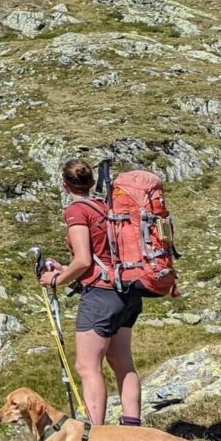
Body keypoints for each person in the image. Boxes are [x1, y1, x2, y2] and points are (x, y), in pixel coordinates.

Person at [39, 156, 143, 426]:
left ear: (64, 184)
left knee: (87, 367)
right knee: (122, 363)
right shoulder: (106, 206)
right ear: (92, 182)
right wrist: (67, 270)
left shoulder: (77, 211)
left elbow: (84, 259)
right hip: (127, 290)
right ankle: (132, 426)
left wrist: (56, 280)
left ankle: (95, 434)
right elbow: (97, 258)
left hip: (101, 296)